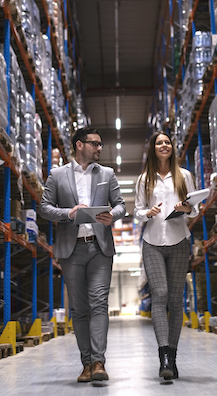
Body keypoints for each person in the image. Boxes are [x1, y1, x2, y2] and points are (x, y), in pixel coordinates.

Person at [39, 127, 126, 382]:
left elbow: (121, 205)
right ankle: (86, 363)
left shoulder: (107, 174)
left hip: (99, 247)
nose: (99, 148)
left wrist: (113, 216)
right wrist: (68, 213)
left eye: (100, 144)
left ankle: (99, 362)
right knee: (78, 309)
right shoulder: (57, 175)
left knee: (99, 303)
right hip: (71, 248)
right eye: (95, 144)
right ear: (79, 145)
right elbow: (44, 208)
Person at [134, 131, 198, 380]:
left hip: (179, 240)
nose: (164, 145)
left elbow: (195, 211)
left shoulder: (184, 176)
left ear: (172, 148)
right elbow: (137, 211)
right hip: (152, 242)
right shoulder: (143, 179)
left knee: (175, 299)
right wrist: (146, 212)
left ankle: (172, 355)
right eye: (159, 142)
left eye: (167, 142)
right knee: (159, 294)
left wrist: (186, 208)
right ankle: (163, 355)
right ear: (153, 148)